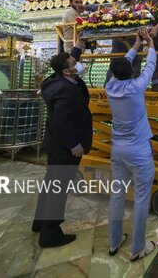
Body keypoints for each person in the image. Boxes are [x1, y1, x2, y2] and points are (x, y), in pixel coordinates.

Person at [32, 52, 93, 247]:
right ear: (67, 70)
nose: (79, 64)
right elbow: (62, 123)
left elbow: (65, 65)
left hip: (55, 144)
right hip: (65, 147)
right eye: (75, 62)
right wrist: (74, 145)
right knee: (58, 188)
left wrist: (77, 49)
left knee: (51, 183)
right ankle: (50, 233)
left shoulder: (55, 81)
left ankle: (40, 222)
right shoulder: (65, 91)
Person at [106, 28, 156, 261]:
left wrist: (136, 46)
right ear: (130, 73)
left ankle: (114, 242)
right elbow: (150, 67)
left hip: (118, 151)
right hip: (138, 151)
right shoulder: (137, 87)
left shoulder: (110, 88)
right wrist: (150, 43)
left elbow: (122, 66)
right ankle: (137, 248)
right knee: (141, 197)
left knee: (117, 195)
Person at [105, 0, 142, 83]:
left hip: (134, 44)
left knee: (134, 72)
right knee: (113, 73)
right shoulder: (117, 7)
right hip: (118, 45)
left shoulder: (141, 6)